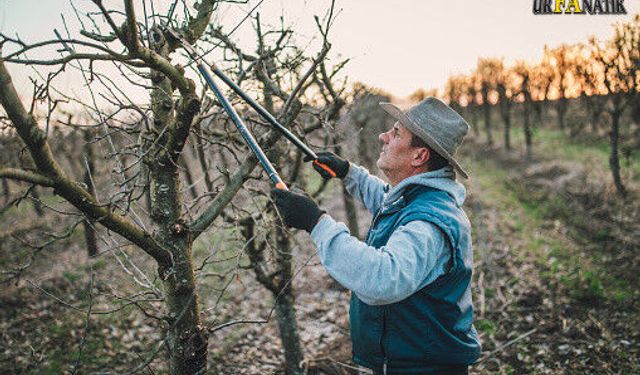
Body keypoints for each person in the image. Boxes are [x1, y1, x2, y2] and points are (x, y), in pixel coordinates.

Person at [272, 97, 481, 375]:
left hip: (421, 368)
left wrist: (316, 223)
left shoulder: (428, 222)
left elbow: (382, 278)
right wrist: (348, 173)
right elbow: (387, 201)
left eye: (395, 133)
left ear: (419, 156)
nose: (383, 136)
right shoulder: (418, 199)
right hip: (410, 361)